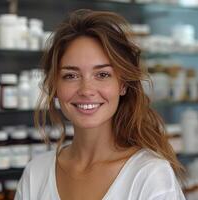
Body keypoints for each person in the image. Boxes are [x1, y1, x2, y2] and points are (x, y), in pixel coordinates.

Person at [14, 9, 186, 200]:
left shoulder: (150, 175)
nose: (86, 90)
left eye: (102, 74)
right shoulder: (36, 173)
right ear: (55, 86)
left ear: (122, 85)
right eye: (71, 76)